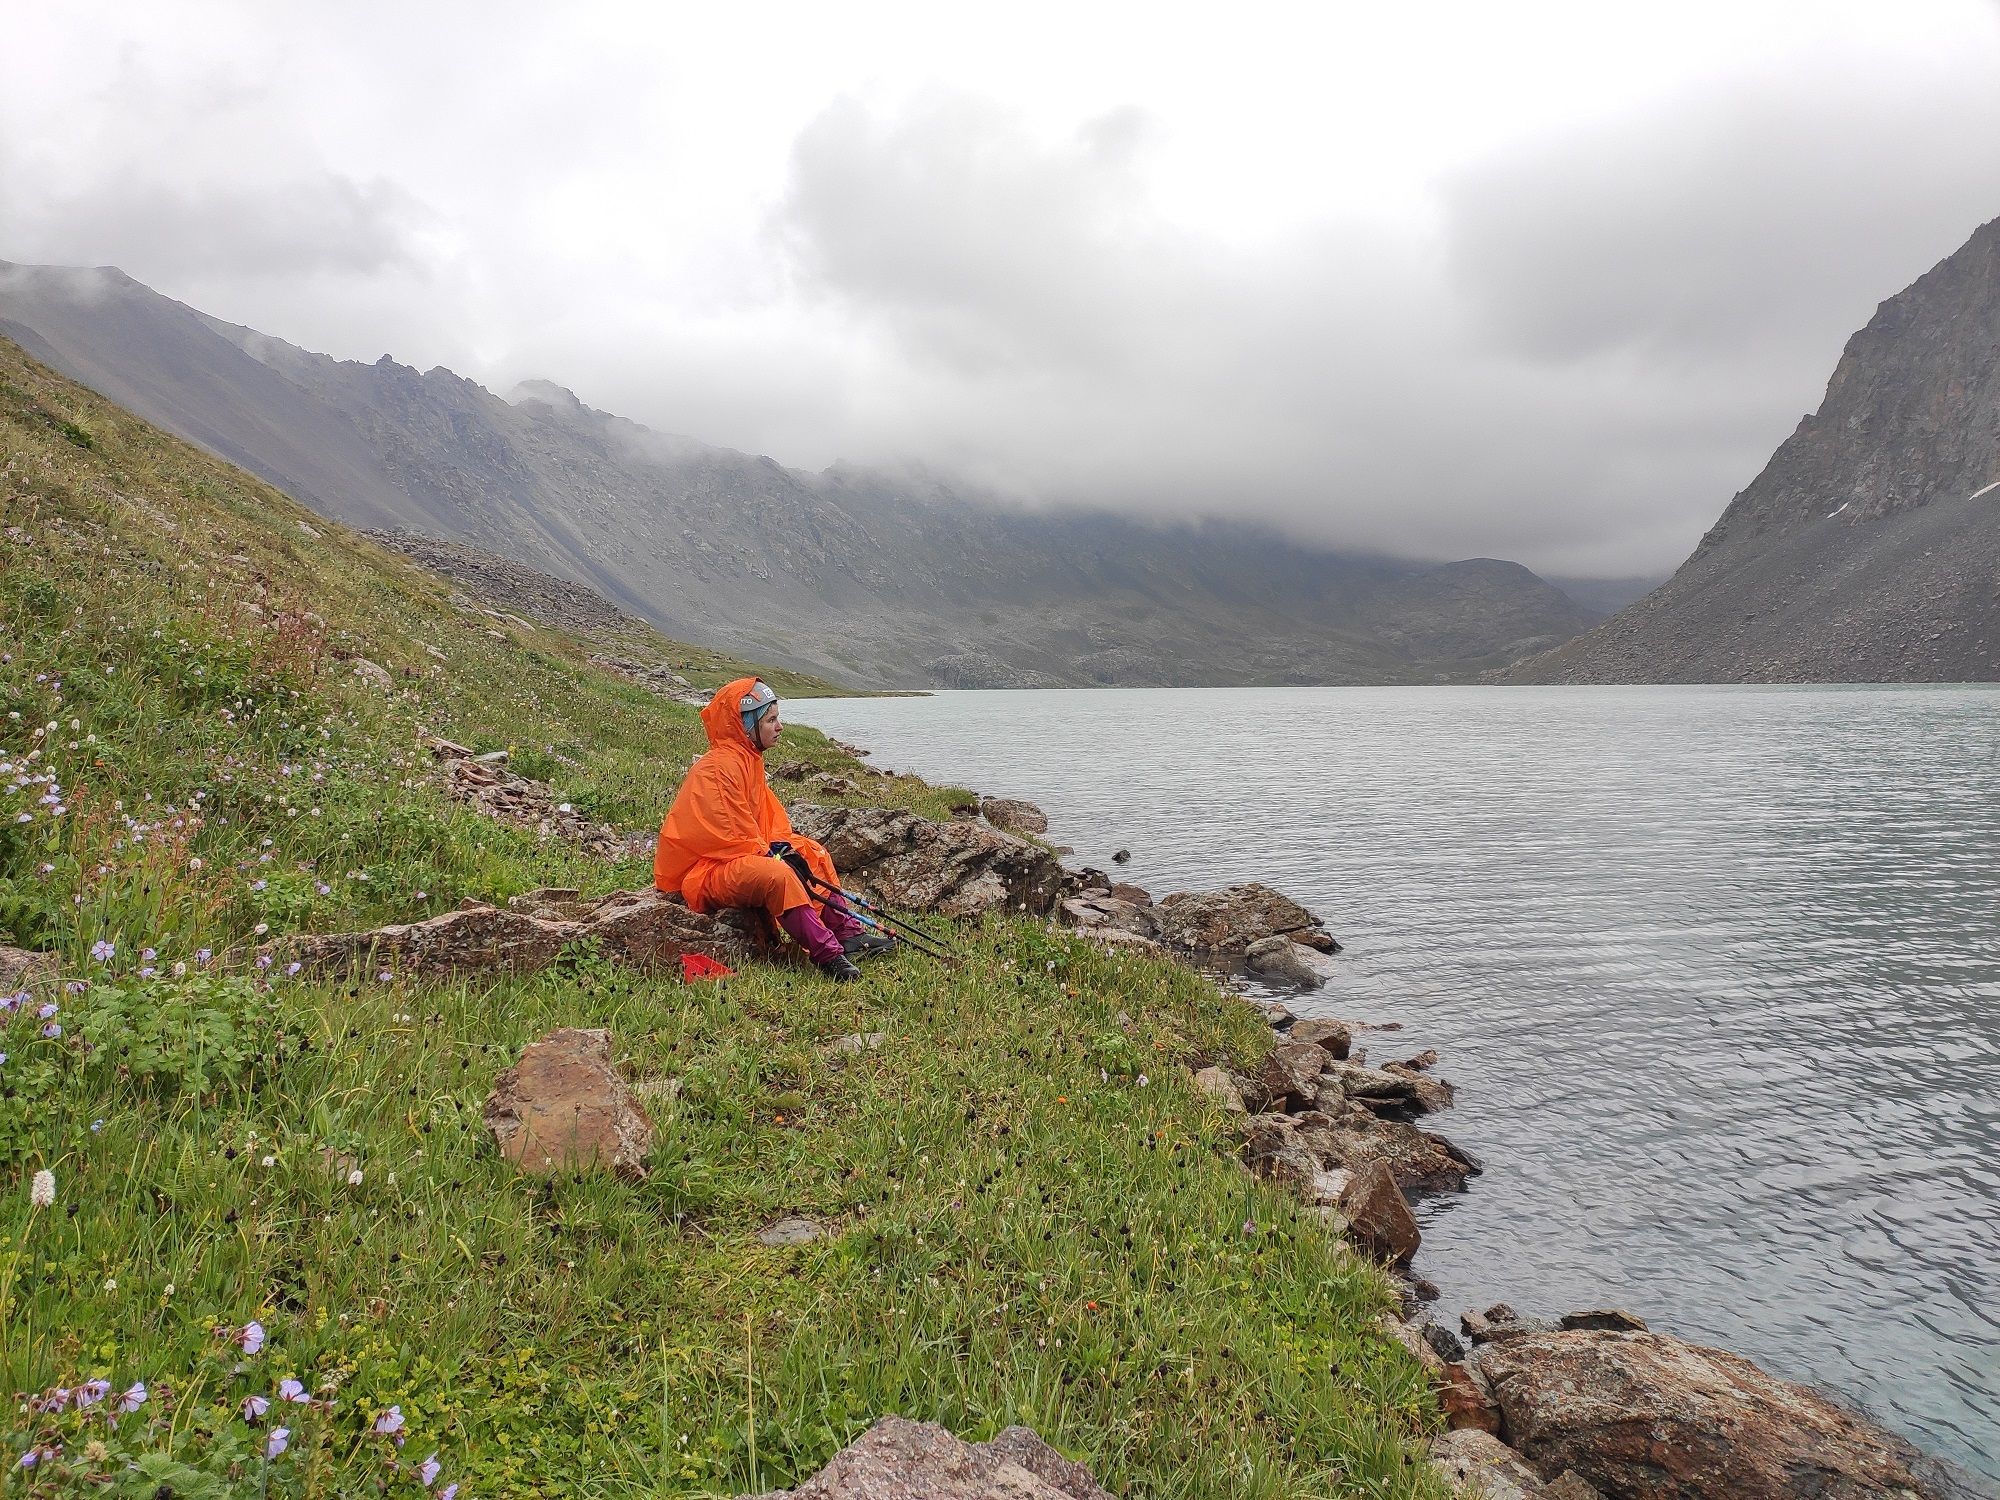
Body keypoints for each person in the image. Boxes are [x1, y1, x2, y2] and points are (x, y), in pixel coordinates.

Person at [653, 677, 889, 981]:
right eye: (771, 719)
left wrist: (782, 848)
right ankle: (828, 955)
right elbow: (731, 834)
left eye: (778, 718)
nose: (780, 727)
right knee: (779, 875)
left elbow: (766, 823)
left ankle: (848, 933)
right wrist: (773, 855)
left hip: (737, 858)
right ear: (746, 725)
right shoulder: (719, 767)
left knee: (813, 853)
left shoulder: (749, 759)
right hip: (705, 871)